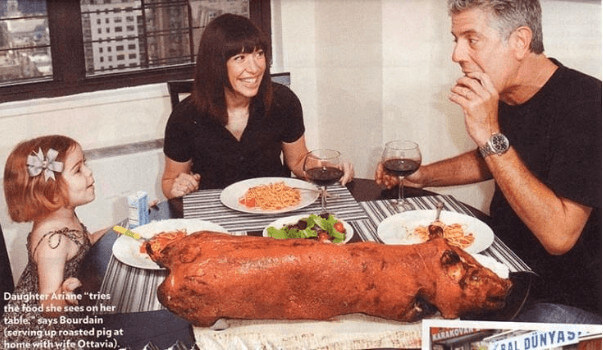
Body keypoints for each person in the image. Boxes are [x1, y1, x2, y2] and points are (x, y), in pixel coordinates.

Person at [376, 0, 601, 323]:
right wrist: (424, 176)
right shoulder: (507, 89)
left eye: (472, 38)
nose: (457, 55)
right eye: (456, 39)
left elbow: (559, 237)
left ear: (520, 42)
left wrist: (489, 133)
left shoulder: (588, 104)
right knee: (394, 288)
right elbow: (495, 159)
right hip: (502, 262)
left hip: (564, 294)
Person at [162, 14, 353, 198]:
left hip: (275, 208)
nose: (255, 68)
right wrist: (177, 186)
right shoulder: (185, 115)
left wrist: (327, 168)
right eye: (240, 58)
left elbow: (298, 160)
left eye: (259, 54)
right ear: (216, 65)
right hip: (216, 218)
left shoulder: (284, 101)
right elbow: (170, 181)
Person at [1, 135, 108, 347]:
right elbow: (48, 305)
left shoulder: (65, 216)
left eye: (85, 164)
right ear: (52, 192)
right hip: (43, 333)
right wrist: (65, 295)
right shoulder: (54, 241)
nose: (89, 172)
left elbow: (85, 243)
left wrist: (125, 227)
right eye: (78, 169)